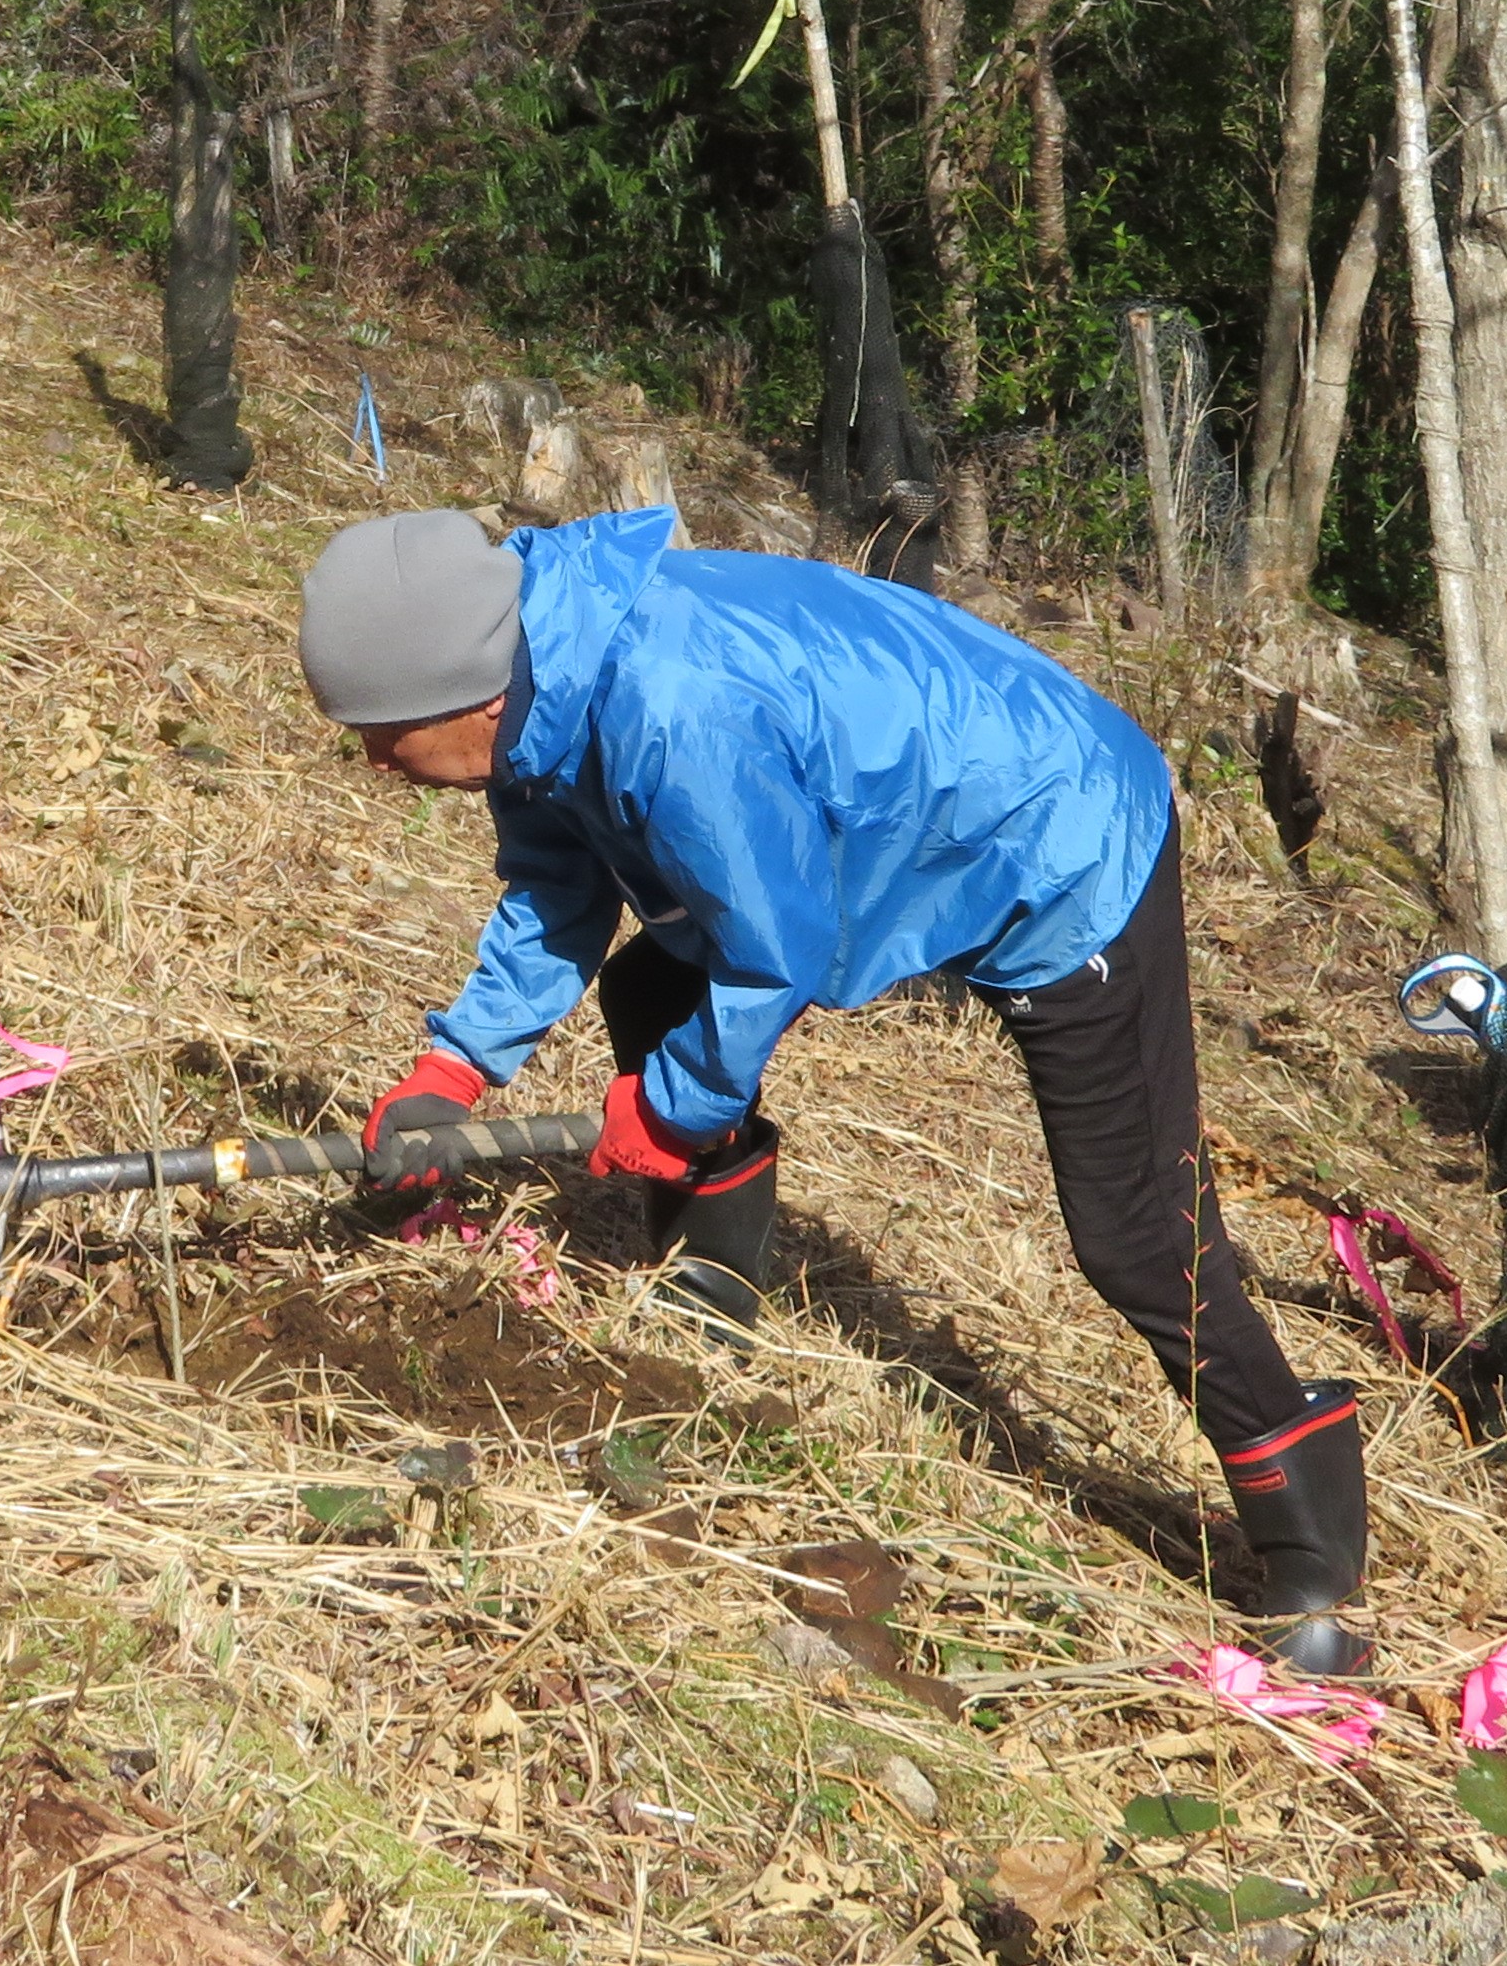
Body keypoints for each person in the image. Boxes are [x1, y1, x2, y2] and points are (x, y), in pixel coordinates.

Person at [295, 505, 1372, 1673]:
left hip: (1053, 835)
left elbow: (776, 945)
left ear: (475, 697)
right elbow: (556, 890)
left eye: (383, 732)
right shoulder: (538, 674)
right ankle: (710, 1283)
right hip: (893, 814)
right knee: (655, 987)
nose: (369, 758)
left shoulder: (672, 700)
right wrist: (452, 1073)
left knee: (1136, 1231)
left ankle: (1308, 1542)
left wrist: (669, 1112)